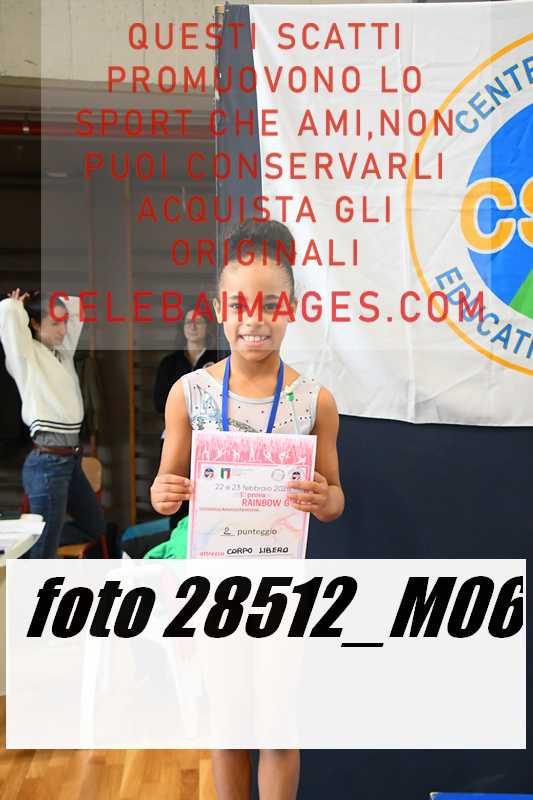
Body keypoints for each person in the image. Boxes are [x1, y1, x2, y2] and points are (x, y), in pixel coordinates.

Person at [150, 219, 345, 800]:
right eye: (238, 304)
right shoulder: (189, 393)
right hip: (214, 585)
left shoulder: (315, 401)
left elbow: (336, 498)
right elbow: (163, 485)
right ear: (220, 309)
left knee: (279, 726)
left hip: (283, 586)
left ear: (292, 309)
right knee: (230, 724)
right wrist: (165, 493)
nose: (253, 318)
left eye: (270, 304)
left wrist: (324, 497)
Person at [0, 289, 106, 558]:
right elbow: (9, 321)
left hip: (70, 461)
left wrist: (48, 297)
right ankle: (34, 551)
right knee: (44, 553)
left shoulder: (63, 354)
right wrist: (16, 306)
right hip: (48, 463)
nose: (63, 330)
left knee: (94, 526)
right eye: (55, 323)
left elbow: (76, 307)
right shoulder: (25, 356)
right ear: (35, 324)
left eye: (64, 322)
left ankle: (29, 546)